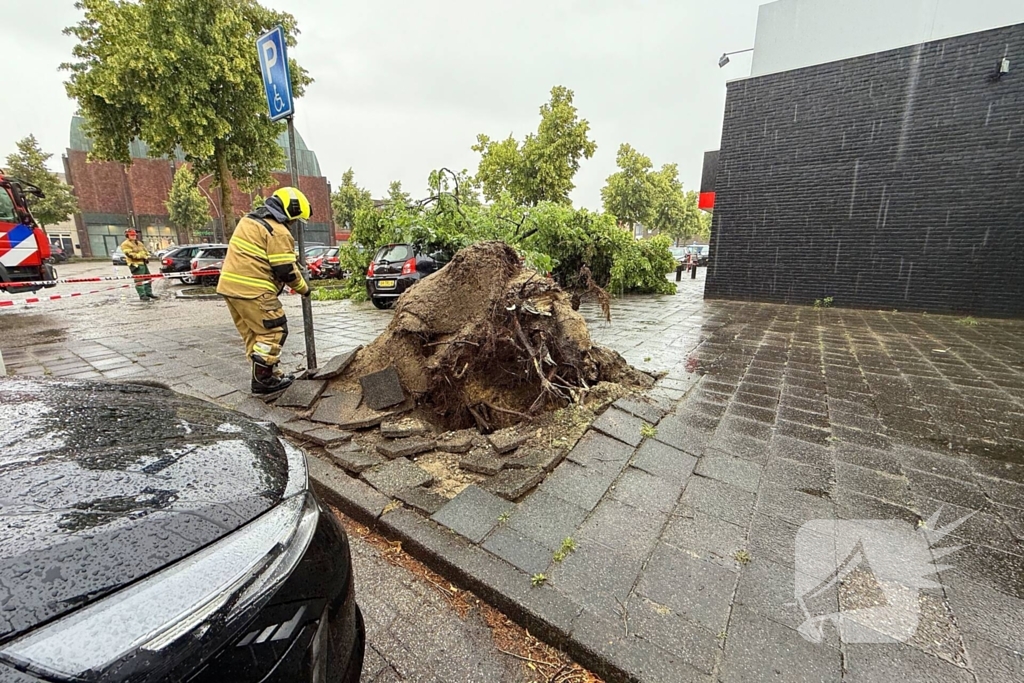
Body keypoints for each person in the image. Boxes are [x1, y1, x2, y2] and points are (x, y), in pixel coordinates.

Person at [217, 187, 312, 394]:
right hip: (254, 289)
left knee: (255, 335)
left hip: (230, 288)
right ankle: (263, 381)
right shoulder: (278, 231)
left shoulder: (248, 222)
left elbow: (261, 254)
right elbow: (285, 271)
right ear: (291, 211)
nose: (293, 224)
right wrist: (305, 289)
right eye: (295, 220)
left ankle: (268, 374)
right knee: (274, 332)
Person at [120, 229, 157, 300]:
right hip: (135, 264)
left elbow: (146, 251)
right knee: (139, 280)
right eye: (131, 235)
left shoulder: (139, 243)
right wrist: (141, 255)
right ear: (127, 236)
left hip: (143, 263)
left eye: (134, 235)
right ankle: (142, 295)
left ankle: (148, 293)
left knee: (148, 278)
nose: (134, 236)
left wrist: (146, 256)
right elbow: (130, 255)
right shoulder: (125, 244)